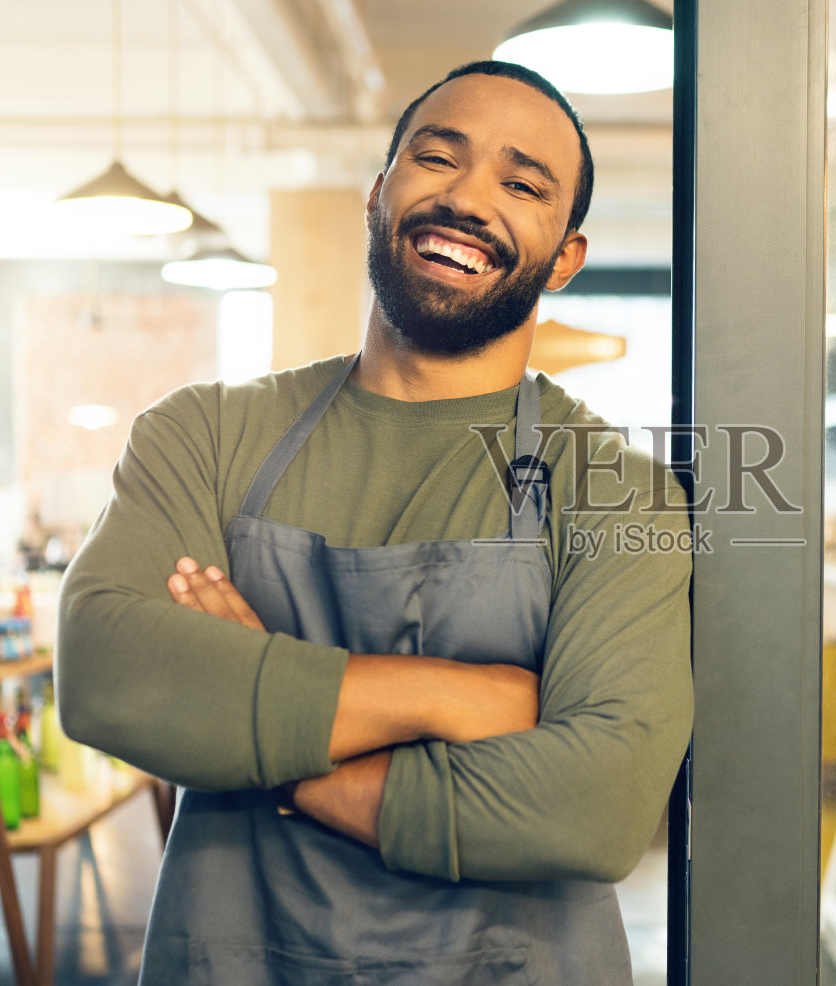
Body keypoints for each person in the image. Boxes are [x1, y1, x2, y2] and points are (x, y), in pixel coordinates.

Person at [56, 60, 693, 985]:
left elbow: (596, 804)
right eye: (438, 158)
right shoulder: (207, 432)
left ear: (565, 257)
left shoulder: (614, 486)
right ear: (378, 193)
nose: (468, 198)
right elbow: (106, 670)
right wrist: (450, 695)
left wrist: (274, 750)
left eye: (521, 184)